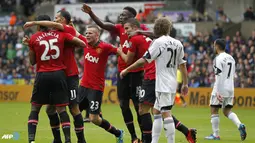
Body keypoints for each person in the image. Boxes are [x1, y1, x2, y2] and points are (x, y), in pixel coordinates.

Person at [121, 18, 197, 143]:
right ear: (168, 28)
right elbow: (182, 65)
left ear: (157, 28)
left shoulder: (158, 42)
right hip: (171, 82)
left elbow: (143, 60)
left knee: (166, 113)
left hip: (162, 83)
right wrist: (185, 83)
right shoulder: (178, 43)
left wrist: (127, 69)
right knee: (156, 111)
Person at [81, 4, 146, 142]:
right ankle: (134, 137)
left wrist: (142, 33)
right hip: (122, 73)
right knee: (123, 105)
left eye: (124, 15)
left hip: (137, 73)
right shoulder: (119, 28)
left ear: (132, 18)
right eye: (120, 14)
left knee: (138, 106)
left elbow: (152, 36)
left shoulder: (140, 29)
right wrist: (91, 13)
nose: (120, 17)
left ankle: (145, 136)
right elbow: (103, 25)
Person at [23, 10, 86, 143]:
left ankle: (81, 140)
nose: (55, 21)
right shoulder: (59, 34)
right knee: (50, 109)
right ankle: (58, 139)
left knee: (73, 108)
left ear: (64, 20)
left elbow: (81, 44)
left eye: (57, 18)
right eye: (54, 19)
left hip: (70, 75)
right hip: (59, 74)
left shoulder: (66, 30)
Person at [77, 25, 124, 143]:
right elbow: (75, 33)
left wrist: (125, 56)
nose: (87, 35)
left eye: (90, 33)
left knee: (94, 119)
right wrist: (70, 24)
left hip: (96, 88)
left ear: (97, 35)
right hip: (83, 86)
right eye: (86, 33)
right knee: (75, 112)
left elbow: (118, 50)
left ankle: (118, 133)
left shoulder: (105, 47)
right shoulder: (84, 42)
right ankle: (81, 140)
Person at [205, 39, 247, 141]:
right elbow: (233, 74)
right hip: (230, 87)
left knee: (214, 109)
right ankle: (239, 125)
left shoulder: (218, 58)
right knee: (227, 110)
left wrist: (218, 91)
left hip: (220, 87)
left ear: (217, 46)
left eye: (214, 46)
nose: (214, 47)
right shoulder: (231, 58)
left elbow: (219, 75)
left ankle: (216, 135)